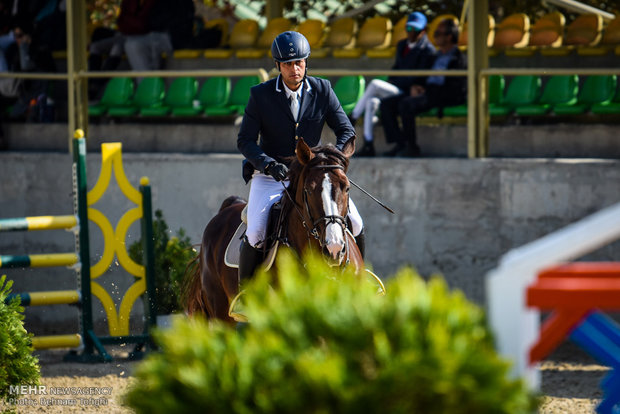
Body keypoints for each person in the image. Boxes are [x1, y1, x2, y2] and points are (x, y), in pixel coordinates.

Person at [236, 31, 365, 283]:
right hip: (272, 176)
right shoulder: (260, 95)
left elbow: (346, 131)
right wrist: (268, 164)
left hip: (313, 174)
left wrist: (329, 160)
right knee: (256, 232)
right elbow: (245, 141)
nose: (294, 69)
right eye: (287, 64)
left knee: (356, 223)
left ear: (306, 63)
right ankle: (246, 293)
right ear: (278, 66)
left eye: (299, 63)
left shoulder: (323, 89)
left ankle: (362, 279)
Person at [349, 11, 436, 157]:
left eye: (416, 30)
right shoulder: (402, 45)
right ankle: (369, 144)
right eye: (409, 29)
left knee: (376, 84)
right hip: (397, 88)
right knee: (371, 102)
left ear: (423, 31)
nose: (412, 33)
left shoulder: (428, 50)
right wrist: (392, 79)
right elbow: (396, 69)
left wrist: (398, 82)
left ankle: (352, 118)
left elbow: (420, 78)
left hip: (409, 91)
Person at [380, 18, 466, 157]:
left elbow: (456, 87)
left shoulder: (458, 59)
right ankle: (400, 143)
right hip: (428, 92)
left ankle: (412, 147)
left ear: (449, 36)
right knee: (387, 104)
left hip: (444, 95)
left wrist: (429, 91)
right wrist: (418, 86)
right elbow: (424, 76)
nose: (435, 36)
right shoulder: (435, 56)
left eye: (438, 33)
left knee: (406, 104)